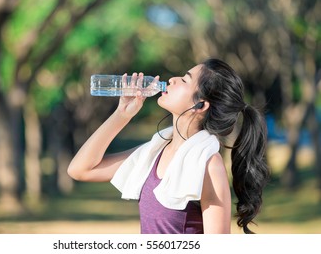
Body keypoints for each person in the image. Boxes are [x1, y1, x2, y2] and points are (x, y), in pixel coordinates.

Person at [67, 58, 270, 234]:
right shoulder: (153, 153)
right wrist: (122, 115)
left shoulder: (208, 164)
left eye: (184, 80)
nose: (172, 80)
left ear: (201, 105)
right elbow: (80, 169)